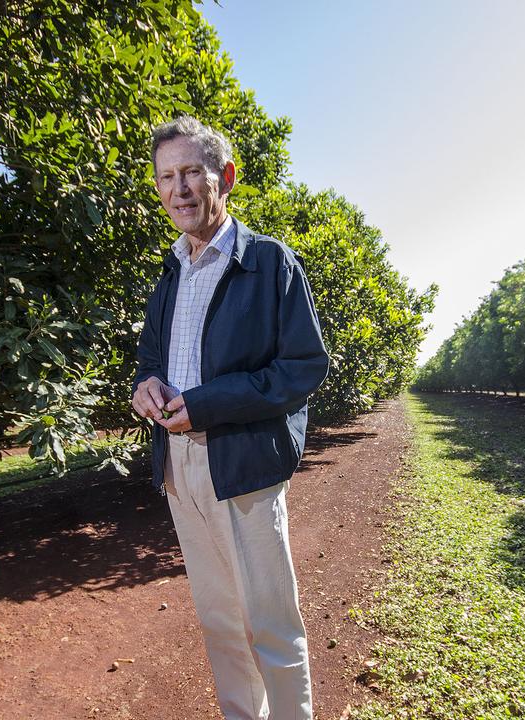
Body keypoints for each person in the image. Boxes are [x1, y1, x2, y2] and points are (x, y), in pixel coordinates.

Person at [131, 115, 329, 720]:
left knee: (267, 622)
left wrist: (209, 404)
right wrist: (145, 387)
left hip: (241, 463)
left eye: (193, 172)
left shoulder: (268, 263)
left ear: (227, 177)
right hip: (180, 469)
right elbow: (150, 356)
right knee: (219, 621)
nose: (180, 189)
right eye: (167, 177)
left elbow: (302, 368)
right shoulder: (169, 273)